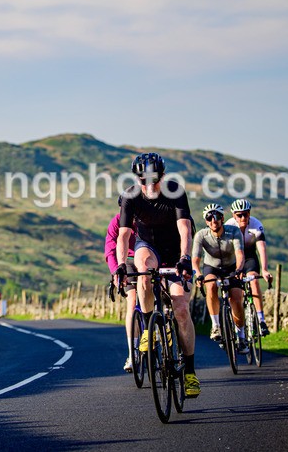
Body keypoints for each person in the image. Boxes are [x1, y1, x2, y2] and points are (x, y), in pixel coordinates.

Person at [114, 152, 200, 398]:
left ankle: (191, 372)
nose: (149, 185)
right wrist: (121, 264)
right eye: (143, 180)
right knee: (142, 269)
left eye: (153, 179)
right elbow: (124, 235)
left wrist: (184, 258)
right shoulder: (131, 196)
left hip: (175, 251)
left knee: (181, 308)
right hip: (148, 246)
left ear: (162, 176)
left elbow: (185, 229)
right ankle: (149, 331)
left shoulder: (176, 191)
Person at [193, 203, 249, 354]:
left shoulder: (233, 231)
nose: (213, 220)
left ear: (223, 218)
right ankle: (216, 325)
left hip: (231, 267)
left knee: (236, 297)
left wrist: (239, 269)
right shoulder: (201, 235)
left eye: (217, 217)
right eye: (209, 218)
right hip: (212, 267)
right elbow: (196, 259)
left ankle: (242, 337)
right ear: (206, 221)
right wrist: (198, 274)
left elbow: (239, 253)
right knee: (210, 286)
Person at [224, 198, 273, 336]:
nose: (243, 217)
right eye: (239, 215)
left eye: (246, 214)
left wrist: (264, 269)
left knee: (253, 280)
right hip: (233, 258)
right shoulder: (228, 226)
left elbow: (261, 248)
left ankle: (261, 320)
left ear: (249, 213)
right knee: (234, 291)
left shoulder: (256, 224)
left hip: (250, 256)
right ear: (234, 215)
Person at [104, 196, 137, 372]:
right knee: (132, 300)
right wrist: (116, 272)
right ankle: (132, 354)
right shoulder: (116, 222)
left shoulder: (147, 218)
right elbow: (110, 251)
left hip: (151, 259)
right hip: (128, 261)